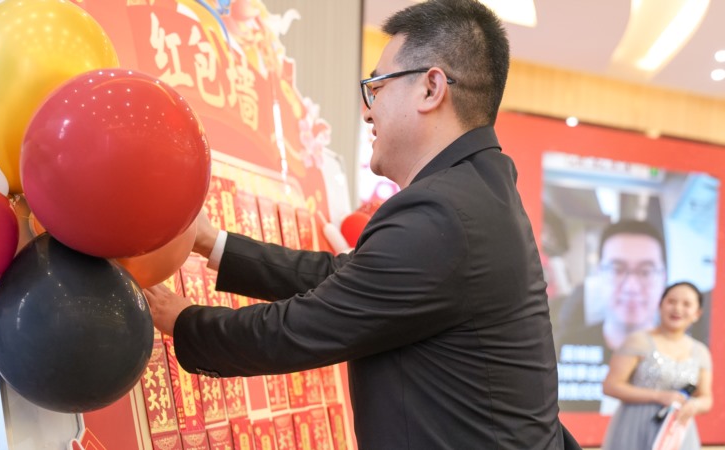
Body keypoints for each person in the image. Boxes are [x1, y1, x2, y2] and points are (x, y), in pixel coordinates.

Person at [146, 1, 570, 448]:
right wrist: (212, 242)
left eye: (377, 88)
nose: (368, 112)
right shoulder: (478, 192)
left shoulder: (444, 212)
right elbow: (348, 280)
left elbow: (302, 328)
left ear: (431, 88)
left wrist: (181, 319)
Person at [553, 220, 667, 411]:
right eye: (617, 269)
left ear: (663, 276)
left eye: (646, 272)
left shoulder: (683, 352)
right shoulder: (560, 348)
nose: (631, 287)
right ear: (600, 274)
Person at [601, 281, 713, 449]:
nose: (677, 309)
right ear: (660, 305)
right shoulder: (638, 341)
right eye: (671, 301)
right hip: (635, 427)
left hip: (678, 431)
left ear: (697, 313)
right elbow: (610, 386)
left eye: (686, 304)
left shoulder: (701, 351)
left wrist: (694, 405)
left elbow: (706, 398)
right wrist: (659, 396)